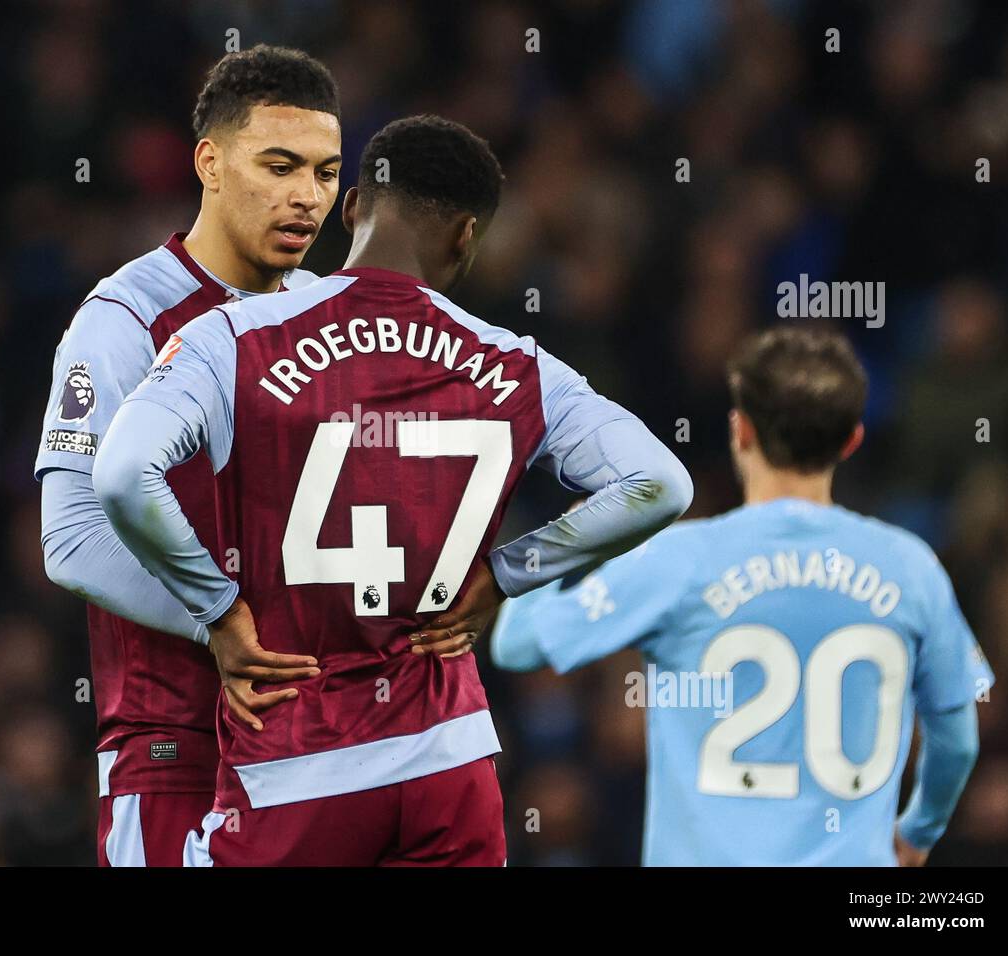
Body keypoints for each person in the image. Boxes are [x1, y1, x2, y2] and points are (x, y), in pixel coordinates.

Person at [92, 114, 693, 865]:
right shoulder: (517, 365)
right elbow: (660, 484)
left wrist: (215, 609)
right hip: (450, 765)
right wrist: (508, 574)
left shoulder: (234, 337)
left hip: (297, 767)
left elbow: (121, 476)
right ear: (467, 234)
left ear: (350, 207)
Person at [492, 326, 993, 866]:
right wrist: (920, 831)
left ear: (741, 430)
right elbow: (958, 736)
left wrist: (575, 537)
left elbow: (516, 645)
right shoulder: (910, 567)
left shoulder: (681, 560)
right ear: (852, 439)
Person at [35, 45, 341, 866]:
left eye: (324, 172)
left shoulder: (333, 315)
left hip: (329, 748)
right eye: (278, 166)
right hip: (179, 753)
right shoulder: (125, 317)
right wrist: (220, 623)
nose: (305, 196)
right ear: (209, 161)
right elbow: (71, 540)